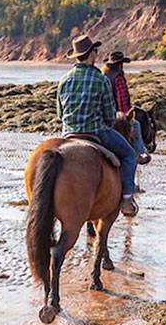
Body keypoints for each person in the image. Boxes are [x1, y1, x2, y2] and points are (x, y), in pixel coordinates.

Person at [57, 35, 139, 216]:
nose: (96, 54)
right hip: (95, 132)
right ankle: (126, 199)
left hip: (68, 134)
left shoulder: (64, 80)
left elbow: (60, 114)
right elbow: (110, 117)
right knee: (129, 155)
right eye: (95, 51)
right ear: (91, 54)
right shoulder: (100, 80)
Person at [101, 51, 150, 165]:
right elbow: (121, 101)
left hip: (101, 116)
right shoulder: (118, 78)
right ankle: (140, 153)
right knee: (136, 125)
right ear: (120, 64)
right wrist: (127, 116)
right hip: (116, 115)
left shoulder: (103, 75)